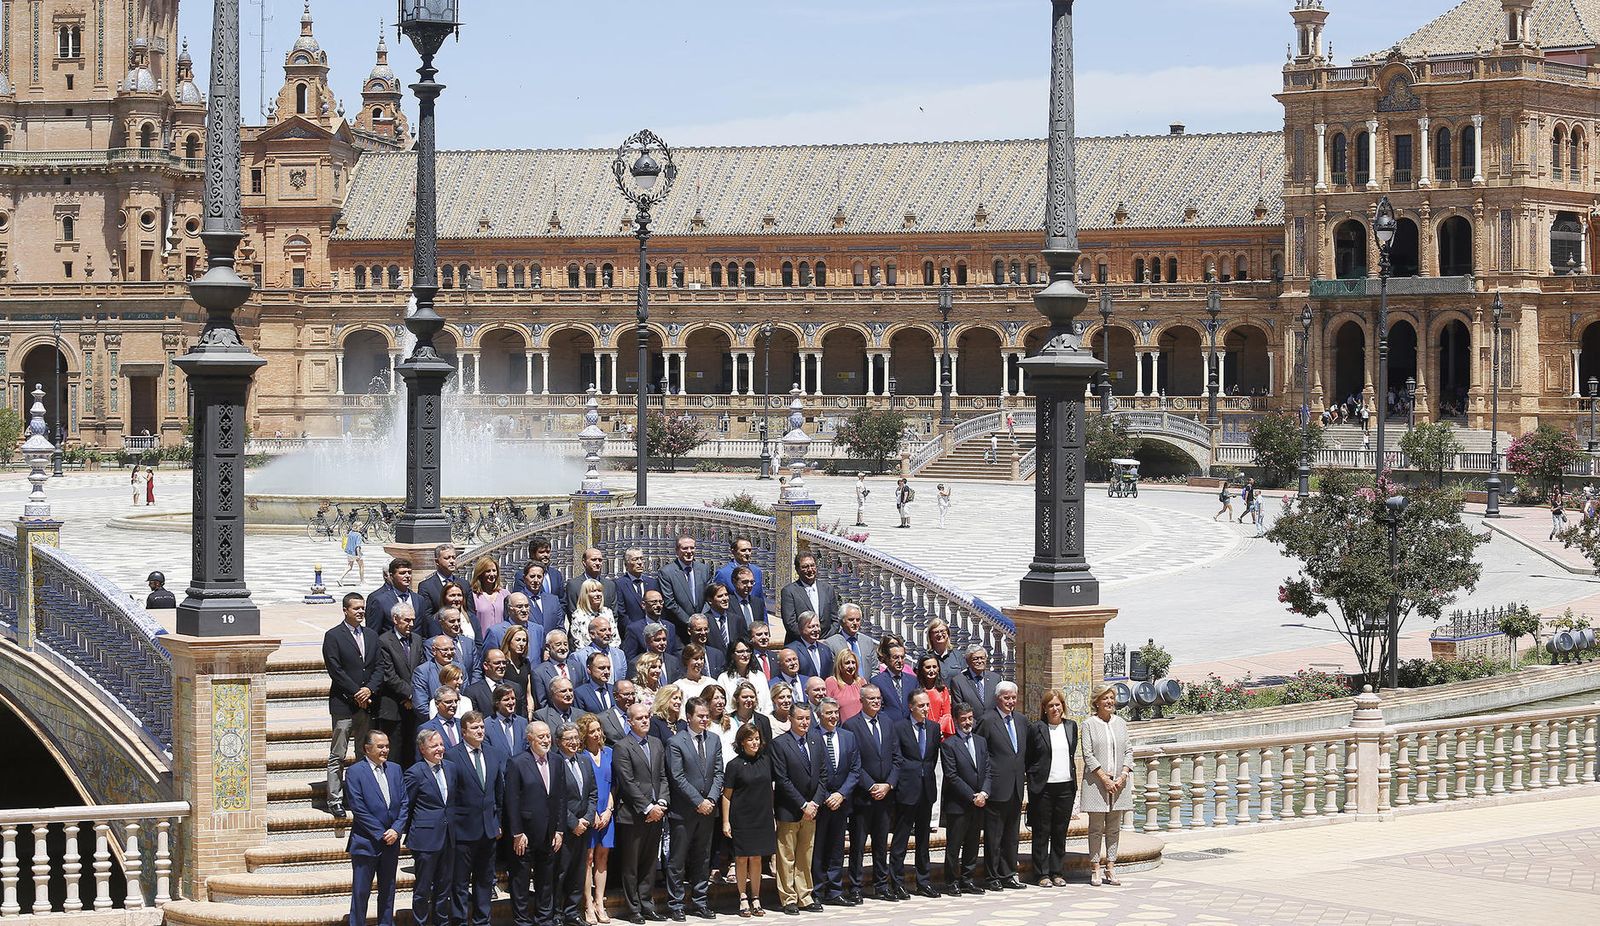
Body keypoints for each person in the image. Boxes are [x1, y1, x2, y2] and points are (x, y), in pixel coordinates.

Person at [665, 697, 724, 920]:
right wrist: (697, 802)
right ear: (688, 717)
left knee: (703, 858)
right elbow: (677, 777)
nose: (704, 719)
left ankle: (700, 901)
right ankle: (676, 903)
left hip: (708, 810)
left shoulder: (714, 740)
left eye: (706, 715)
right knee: (678, 859)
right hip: (684, 811)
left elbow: (719, 772)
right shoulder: (676, 742)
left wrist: (710, 799)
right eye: (700, 716)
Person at [612, 702, 669, 924]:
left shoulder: (656, 743)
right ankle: (633, 908)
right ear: (629, 722)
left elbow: (663, 777)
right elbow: (627, 782)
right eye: (640, 718)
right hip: (633, 815)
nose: (645, 721)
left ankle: (647, 904)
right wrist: (648, 807)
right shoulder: (622, 746)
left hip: (656, 813)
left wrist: (662, 803)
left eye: (647, 717)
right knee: (632, 865)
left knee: (648, 863)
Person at [447, 711, 505, 926]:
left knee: (484, 880)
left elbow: (498, 791)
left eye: (482, 727)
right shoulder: (452, 756)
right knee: (460, 882)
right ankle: (460, 921)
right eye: (475, 728)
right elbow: (450, 796)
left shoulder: (492, 753)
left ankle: (482, 921)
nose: (480, 731)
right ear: (464, 731)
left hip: (488, 829)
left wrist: (497, 821)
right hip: (463, 830)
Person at [842, 684, 900, 902]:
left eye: (878, 698)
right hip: (863, 796)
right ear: (862, 701)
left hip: (885, 795)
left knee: (880, 842)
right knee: (858, 844)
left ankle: (881, 884)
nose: (876, 702)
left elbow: (896, 757)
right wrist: (871, 786)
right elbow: (853, 761)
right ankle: (855, 886)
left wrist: (888, 785)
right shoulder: (851, 726)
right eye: (872, 698)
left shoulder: (887, 722)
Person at [324, 593, 378, 818]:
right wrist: (356, 692)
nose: (360, 612)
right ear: (345, 610)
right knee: (338, 753)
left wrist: (369, 689)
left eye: (362, 608)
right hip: (344, 704)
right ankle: (335, 798)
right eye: (356, 608)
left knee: (363, 752)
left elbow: (379, 667)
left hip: (366, 704)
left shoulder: (372, 635)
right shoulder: (334, 636)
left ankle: (358, 796)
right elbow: (335, 670)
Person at [346, 730, 409, 926]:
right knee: (361, 892)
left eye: (387, 746)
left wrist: (397, 830)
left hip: (391, 842)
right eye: (380, 746)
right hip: (366, 842)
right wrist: (381, 833)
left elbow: (405, 803)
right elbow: (358, 807)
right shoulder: (355, 772)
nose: (385, 750)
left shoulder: (395, 769)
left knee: (388, 890)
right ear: (367, 748)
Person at [505, 721, 565, 926]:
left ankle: (544, 919)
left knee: (546, 881)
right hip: (525, 834)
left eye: (548, 735)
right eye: (541, 736)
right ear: (529, 739)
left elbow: (561, 798)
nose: (546, 740)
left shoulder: (557, 761)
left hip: (549, 833)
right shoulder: (517, 762)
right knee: (520, 881)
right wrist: (516, 832)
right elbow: (511, 800)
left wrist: (559, 829)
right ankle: (522, 921)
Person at [769, 703, 825, 915]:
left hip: (812, 809)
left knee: (805, 854)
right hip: (790, 809)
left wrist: (815, 803)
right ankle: (788, 898)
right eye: (800, 718)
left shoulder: (816, 740)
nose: (804, 723)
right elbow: (782, 779)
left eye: (807, 719)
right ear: (791, 719)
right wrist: (802, 804)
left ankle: (805, 896)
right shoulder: (780, 744)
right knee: (787, 856)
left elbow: (823, 775)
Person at [890, 689, 941, 898]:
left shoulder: (933, 727)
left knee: (923, 839)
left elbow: (931, 758)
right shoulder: (899, 727)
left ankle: (923, 881)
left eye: (927, 705)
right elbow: (897, 758)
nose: (925, 709)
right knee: (901, 838)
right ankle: (897, 882)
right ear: (911, 706)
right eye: (921, 706)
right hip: (907, 789)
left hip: (926, 789)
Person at [1082, 683, 1134, 887]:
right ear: (1097, 702)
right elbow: (1087, 754)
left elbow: (1129, 750)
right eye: (1106, 698)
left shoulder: (1120, 723)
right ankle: (1095, 867)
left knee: (1114, 828)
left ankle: (1111, 867)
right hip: (1097, 784)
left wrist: (1122, 775)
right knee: (1096, 828)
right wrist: (1104, 778)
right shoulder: (1089, 724)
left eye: (1112, 698)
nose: (1110, 702)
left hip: (1119, 784)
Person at [721, 722, 776, 918]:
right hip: (741, 817)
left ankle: (756, 898)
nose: (754, 743)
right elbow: (727, 795)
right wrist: (726, 822)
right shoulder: (734, 765)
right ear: (742, 741)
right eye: (750, 739)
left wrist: (773, 814)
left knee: (757, 858)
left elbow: (771, 789)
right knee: (742, 858)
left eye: (757, 739)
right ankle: (743, 896)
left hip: (762, 816)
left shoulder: (766, 761)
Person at [1025, 689, 1078, 888]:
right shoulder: (1036, 728)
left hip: (1065, 787)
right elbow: (1029, 758)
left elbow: (1072, 755)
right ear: (1044, 709)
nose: (1055, 709)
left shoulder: (1071, 727)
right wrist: (1032, 781)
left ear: (1063, 706)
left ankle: (1057, 872)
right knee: (1041, 832)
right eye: (1050, 705)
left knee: (1059, 831)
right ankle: (1041, 873)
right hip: (1043, 788)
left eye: (1058, 705)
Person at [811, 697, 860, 907]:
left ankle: (835, 890)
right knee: (818, 848)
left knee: (837, 848)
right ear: (819, 716)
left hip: (841, 801)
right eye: (828, 713)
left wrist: (841, 794)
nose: (833, 717)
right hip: (820, 802)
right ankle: (817, 890)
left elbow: (855, 769)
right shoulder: (812, 737)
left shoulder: (848, 737)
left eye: (835, 713)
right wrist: (823, 797)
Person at [979, 681, 1028, 891]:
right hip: (996, 787)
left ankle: (1008, 874)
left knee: (1011, 835)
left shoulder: (1021, 720)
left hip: (1016, 786)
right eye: (1006, 698)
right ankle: (992, 876)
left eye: (1013, 697)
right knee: (994, 836)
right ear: (998, 698)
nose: (1010, 702)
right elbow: (981, 754)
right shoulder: (987, 720)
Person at [404, 729, 454, 926]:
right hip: (425, 839)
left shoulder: (451, 768)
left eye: (441, 744)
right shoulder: (415, 773)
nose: (440, 749)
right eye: (434, 746)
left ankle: (442, 922)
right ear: (422, 749)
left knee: (444, 887)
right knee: (423, 888)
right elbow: (406, 806)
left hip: (448, 837)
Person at [939, 702, 990, 896]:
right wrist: (972, 796)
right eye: (963, 719)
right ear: (955, 720)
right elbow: (952, 776)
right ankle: (951, 881)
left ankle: (967, 879)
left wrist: (984, 793)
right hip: (959, 804)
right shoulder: (949, 744)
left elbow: (988, 770)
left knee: (972, 842)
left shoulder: (980, 741)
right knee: (954, 844)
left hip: (979, 801)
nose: (967, 722)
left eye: (970, 718)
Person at [554, 722, 599, 926]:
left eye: (575, 738)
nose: (573, 742)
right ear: (558, 742)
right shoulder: (555, 763)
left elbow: (592, 792)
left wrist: (588, 819)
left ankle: (572, 911)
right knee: (561, 871)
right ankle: (556, 913)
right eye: (568, 739)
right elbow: (556, 798)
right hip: (565, 827)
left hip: (584, 826)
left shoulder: (584, 761)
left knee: (579, 871)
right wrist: (573, 823)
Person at [376, 602, 427, 767]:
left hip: (414, 709)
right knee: (394, 755)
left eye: (413, 620)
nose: (411, 624)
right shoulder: (384, 641)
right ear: (395, 619)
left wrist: (415, 697)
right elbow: (389, 676)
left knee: (412, 752)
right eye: (407, 620)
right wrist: (410, 695)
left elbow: (422, 670)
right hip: (393, 707)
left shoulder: (417, 640)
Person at [578, 714, 616, 925]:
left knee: (603, 857)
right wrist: (591, 812)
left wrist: (609, 810)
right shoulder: (581, 755)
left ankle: (600, 902)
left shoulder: (609, 752)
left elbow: (612, 785)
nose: (597, 734)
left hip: (606, 811)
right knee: (588, 858)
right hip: (589, 811)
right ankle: (588, 904)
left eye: (598, 730)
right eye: (592, 731)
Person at [417, 543, 475, 638]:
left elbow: (471, 612)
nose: (452, 561)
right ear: (437, 561)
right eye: (447, 558)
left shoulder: (464, 584)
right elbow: (427, 617)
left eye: (453, 557)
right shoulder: (426, 586)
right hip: (439, 637)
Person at [659, 536, 713, 637]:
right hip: (680, 629)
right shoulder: (666, 572)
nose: (689, 551)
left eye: (692, 548)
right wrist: (690, 622)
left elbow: (709, 597)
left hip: (703, 628)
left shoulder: (704, 569)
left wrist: (701, 619)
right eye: (685, 548)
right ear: (677, 550)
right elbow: (670, 602)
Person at [780, 553, 839, 642]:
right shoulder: (789, 591)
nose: (810, 570)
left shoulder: (827, 589)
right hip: (800, 644)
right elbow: (790, 624)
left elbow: (835, 620)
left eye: (812, 566)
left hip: (825, 643)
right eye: (805, 567)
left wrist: (824, 640)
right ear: (797, 570)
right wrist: (811, 638)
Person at [717, 640, 772, 714]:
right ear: (732, 655)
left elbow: (768, 704)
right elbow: (724, 706)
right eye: (740, 651)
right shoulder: (723, 678)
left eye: (748, 651)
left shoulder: (760, 676)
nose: (745, 655)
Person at [366, 558, 417, 636]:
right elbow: (373, 632)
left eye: (409, 573)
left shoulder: (419, 599)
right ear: (391, 575)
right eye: (402, 573)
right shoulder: (380, 600)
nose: (407, 576)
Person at [713, 536, 767, 606]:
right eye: (743, 550)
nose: (747, 553)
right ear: (733, 552)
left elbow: (760, 599)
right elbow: (716, 599)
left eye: (749, 550)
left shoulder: (757, 571)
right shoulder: (723, 573)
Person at [564, 548, 618, 618]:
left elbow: (614, 614)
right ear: (584, 562)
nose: (598, 563)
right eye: (594, 560)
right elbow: (572, 613)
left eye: (600, 560)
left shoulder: (610, 585)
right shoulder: (574, 585)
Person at [947, 645, 1001, 715]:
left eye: (982, 658)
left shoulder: (995, 679)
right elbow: (958, 709)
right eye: (975, 659)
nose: (980, 661)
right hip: (970, 724)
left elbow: (1000, 704)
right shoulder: (958, 681)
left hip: (992, 724)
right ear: (967, 661)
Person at [823, 603, 877, 668]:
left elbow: (875, 668)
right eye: (851, 620)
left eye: (858, 620)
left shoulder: (868, 642)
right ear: (842, 621)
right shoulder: (831, 644)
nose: (855, 623)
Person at [870, 638, 912, 721]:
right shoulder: (877, 681)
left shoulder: (913, 681)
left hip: (909, 728)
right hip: (888, 727)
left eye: (902, 657)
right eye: (896, 657)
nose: (900, 661)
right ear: (887, 659)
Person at [911, 654, 953, 735]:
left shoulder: (943, 689)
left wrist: (937, 729)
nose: (931, 670)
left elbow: (946, 714)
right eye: (928, 667)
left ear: (938, 669)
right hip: (920, 730)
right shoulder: (915, 689)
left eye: (934, 667)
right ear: (921, 670)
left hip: (940, 732)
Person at [786, 612, 834, 680]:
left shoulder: (826, 649)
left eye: (817, 626)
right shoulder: (792, 650)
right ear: (801, 629)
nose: (816, 630)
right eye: (811, 627)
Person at [571, 580, 616, 651]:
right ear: (585, 594)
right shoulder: (578, 615)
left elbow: (615, 638)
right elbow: (579, 642)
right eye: (593, 591)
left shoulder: (608, 612)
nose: (598, 594)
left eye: (599, 591)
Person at [470, 558, 509, 639]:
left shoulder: (505, 594)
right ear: (480, 573)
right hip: (482, 642)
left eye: (494, 571)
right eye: (488, 571)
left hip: (502, 641)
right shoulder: (473, 596)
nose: (492, 574)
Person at [500, 626, 535, 715]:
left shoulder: (526, 663)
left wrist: (530, 710)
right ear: (509, 641)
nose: (521, 643)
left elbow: (528, 693)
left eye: (524, 640)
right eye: (518, 640)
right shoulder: (502, 663)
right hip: (507, 707)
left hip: (523, 709)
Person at [825, 650, 866, 721]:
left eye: (853, 663)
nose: (851, 666)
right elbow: (826, 708)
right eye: (847, 663)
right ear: (839, 665)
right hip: (842, 728)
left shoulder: (862, 682)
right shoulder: (831, 682)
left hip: (861, 727)